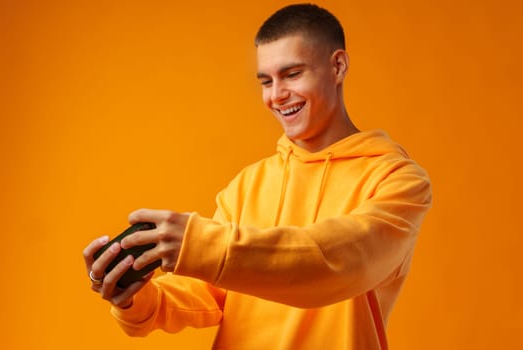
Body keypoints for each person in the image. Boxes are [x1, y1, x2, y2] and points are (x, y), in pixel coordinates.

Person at [83, 3, 432, 349]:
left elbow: (335, 264)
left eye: (292, 74)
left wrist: (198, 245)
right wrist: (135, 298)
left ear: (338, 66)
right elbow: (209, 294)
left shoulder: (398, 181)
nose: (276, 95)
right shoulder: (248, 184)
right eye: (266, 81)